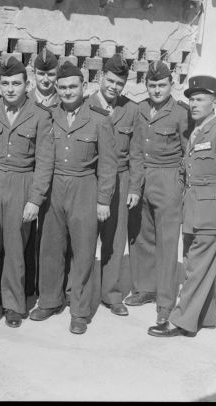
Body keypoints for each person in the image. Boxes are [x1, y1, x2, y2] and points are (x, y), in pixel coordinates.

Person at [148, 75, 216, 337]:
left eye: (200, 99)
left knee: (195, 268)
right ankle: (204, 318)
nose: (194, 104)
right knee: (198, 265)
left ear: (214, 102)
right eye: (191, 99)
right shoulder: (195, 132)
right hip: (194, 211)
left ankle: (179, 321)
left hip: (213, 213)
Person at [30, 61, 117, 335]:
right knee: (50, 247)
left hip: (84, 187)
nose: (67, 92)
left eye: (73, 86)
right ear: (56, 88)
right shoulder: (47, 116)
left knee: (83, 250)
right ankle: (50, 300)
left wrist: (103, 200)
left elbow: (108, 164)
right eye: (63, 87)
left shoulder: (100, 119)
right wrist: (38, 195)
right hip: (54, 186)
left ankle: (79, 310)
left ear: (84, 87)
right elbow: (43, 159)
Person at [0, 55, 54, 328]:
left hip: (22, 182)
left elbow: (45, 161)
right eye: (5, 83)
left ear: (27, 84)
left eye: (16, 83)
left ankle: (14, 304)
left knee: (14, 248)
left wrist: (35, 199)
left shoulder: (39, 115)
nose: (10, 88)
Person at [125, 61, 189, 329]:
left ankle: (165, 302)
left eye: (162, 85)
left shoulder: (181, 113)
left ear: (171, 85)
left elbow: (188, 152)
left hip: (168, 178)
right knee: (141, 237)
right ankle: (144, 288)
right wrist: (134, 187)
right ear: (146, 86)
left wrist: (180, 185)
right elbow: (136, 150)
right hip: (143, 177)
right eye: (152, 86)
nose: (157, 90)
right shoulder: (140, 109)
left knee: (166, 243)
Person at [85, 54, 143, 316]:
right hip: (89, 179)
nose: (113, 87)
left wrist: (134, 187)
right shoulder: (84, 106)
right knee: (84, 239)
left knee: (115, 240)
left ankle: (111, 294)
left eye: (119, 83)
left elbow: (137, 153)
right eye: (110, 80)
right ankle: (80, 294)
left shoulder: (130, 110)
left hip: (120, 180)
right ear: (100, 78)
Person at [24, 48, 60, 297]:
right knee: (23, 233)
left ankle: (49, 286)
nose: (46, 79)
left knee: (51, 234)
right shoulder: (23, 99)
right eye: (41, 74)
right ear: (33, 74)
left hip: (56, 175)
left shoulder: (66, 100)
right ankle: (26, 284)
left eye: (51, 74)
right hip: (27, 174)